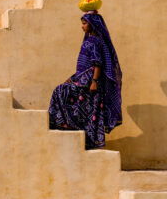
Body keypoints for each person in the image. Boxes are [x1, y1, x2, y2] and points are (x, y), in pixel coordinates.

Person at [48, 11, 122, 149]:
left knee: (60, 91)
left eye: (84, 23)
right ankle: (71, 126)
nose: (82, 27)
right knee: (70, 97)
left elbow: (97, 64)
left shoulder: (93, 41)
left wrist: (93, 82)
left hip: (89, 82)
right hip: (83, 78)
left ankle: (66, 124)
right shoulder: (92, 40)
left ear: (92, 24)